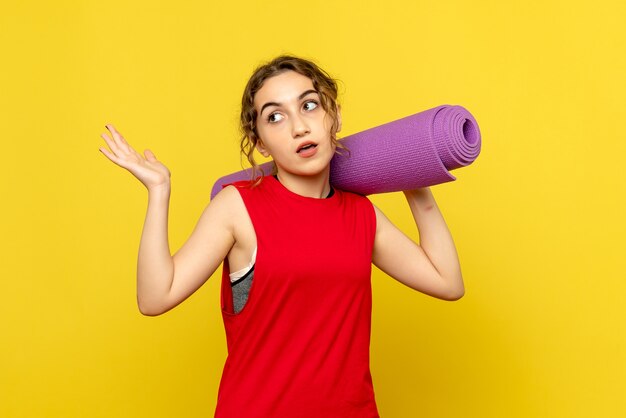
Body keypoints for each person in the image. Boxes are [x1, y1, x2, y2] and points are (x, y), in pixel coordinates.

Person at [98, 55, 464, 417]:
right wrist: (159, 191)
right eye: (275, 116)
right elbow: (154, 297)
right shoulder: (237, 207)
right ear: (260, 143)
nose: (299, 127)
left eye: (309, 105)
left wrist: (414, 171)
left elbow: (447, 282)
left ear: (334, 116)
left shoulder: (361, 214)